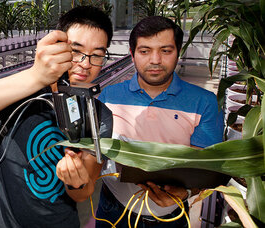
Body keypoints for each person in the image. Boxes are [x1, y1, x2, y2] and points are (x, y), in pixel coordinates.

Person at [0, 5, 114, 228]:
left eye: (97, 55)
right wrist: (36, 76)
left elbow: (83, 194)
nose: (85, 64)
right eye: (76, 51)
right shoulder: (27, 88)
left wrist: (75, 181)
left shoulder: (99, 116)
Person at [95, 16, 224, 227]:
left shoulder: (204, 102)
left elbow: (206, 167)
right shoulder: (110, 95)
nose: (155, 60)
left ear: (178, 52)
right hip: (113, 209)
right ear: (132, 54)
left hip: (170, 215)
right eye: (145, 51)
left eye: (166, 51)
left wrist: (186, 192)